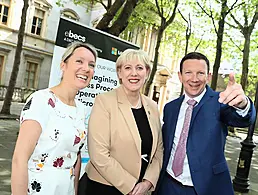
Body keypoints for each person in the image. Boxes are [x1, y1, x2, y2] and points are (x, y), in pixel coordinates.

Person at [155, 52, 256, 195]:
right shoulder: (170, 108)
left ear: (208, 77)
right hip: (168, 186)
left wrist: (243, 104)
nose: (194, 79)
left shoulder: (220, 102)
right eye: (188, 72)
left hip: (205, 189)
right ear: (180, 76)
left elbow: (244, 119)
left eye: (200, 73)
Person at [11, 42, 98, 195]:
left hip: (67, 189)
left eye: (91, 65)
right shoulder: (41, 100)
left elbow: (75, 157)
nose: (86, 68)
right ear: (63, 65)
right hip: (38, 188)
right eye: (79, 61)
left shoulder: (82, 109)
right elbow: (20, 158)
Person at [84, 49, 163, 195]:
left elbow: (159, 151)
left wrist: (148, 182)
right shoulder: (104, 101)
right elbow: (99, 154)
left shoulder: (152, 106)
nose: (134, 73)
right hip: (104, 188)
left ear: (146, 73)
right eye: (127, 68)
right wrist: (131, 186)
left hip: (142, 189)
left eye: (139, 68)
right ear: (119, 73)